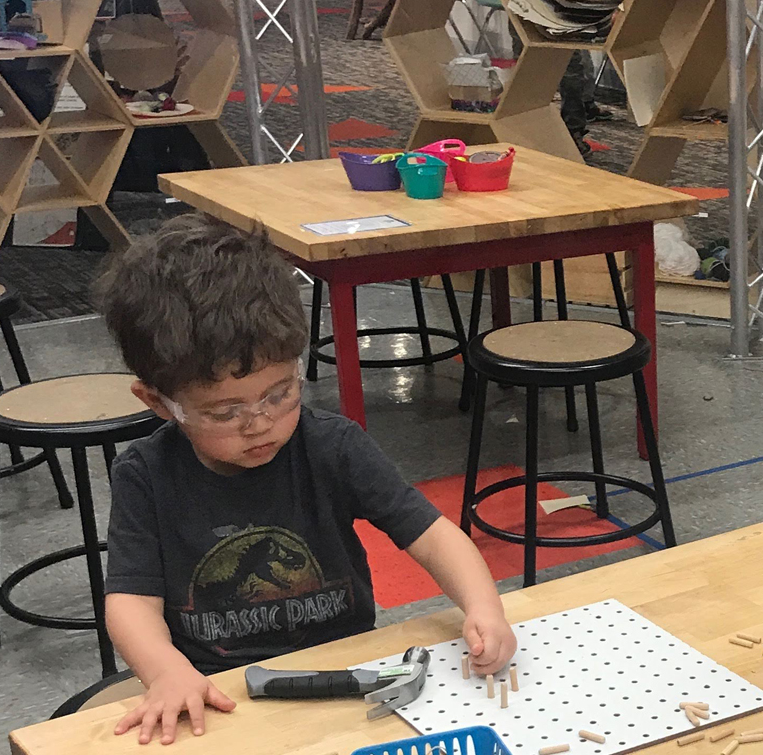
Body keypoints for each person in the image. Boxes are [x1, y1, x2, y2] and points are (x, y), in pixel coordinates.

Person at [93, 216, 519, 745]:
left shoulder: (332, 446)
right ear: (158, 402)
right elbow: (131, 602)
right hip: (218, 690)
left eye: (279, 393)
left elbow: (431, 535)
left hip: (347, 671)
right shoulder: (146, 476)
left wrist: (483, 607)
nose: (259, 423)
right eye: (225, 413)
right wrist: (165, 671)